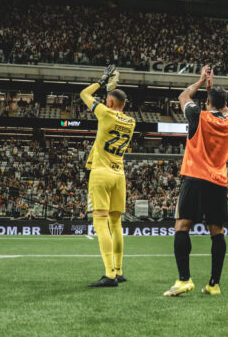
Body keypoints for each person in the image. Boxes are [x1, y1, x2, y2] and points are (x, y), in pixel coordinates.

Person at [164, 66, 228, 297]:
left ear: (207, 102)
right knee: (217, 231)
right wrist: (211, 90)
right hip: (218, 181)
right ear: (224, 104)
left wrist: (200, 81)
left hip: (195, 177)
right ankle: (214, 284)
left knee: (182, 226)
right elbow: (224, 111)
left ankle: (184, 279)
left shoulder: (198, 115)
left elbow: (183, 96)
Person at [80, 65, 136, 287]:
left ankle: (109, 274)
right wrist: (111, 92)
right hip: (119, 174)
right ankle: (119, 270)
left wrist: (101, 81)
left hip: (101, 173)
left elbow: (84, 94)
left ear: (110, 103)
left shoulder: (104, 113)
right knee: (116, 223)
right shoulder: (131, 122)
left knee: (100, 222)